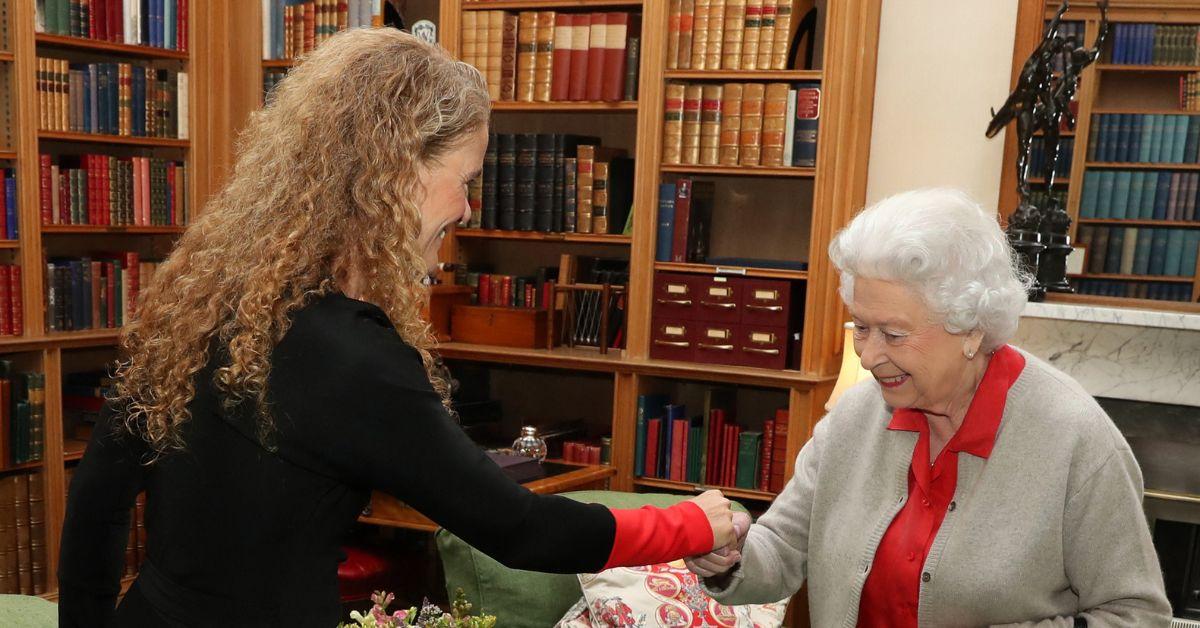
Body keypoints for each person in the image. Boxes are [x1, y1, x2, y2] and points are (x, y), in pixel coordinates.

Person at [58, 29, 736, 627]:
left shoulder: (204, 301)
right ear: (397, 171)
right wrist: (689, 522)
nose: (467, 208)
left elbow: (95, 509)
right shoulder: (354, 356)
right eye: (465, 179)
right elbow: (522, 529)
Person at [685, 189, 1171, 626]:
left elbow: (1136, 614)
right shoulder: (855, 418)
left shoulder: (1075, 439)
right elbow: (783, 548)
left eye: (893, 334)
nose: (869, 356)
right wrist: (731, 555)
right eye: (861, 327)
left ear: (972, 328)